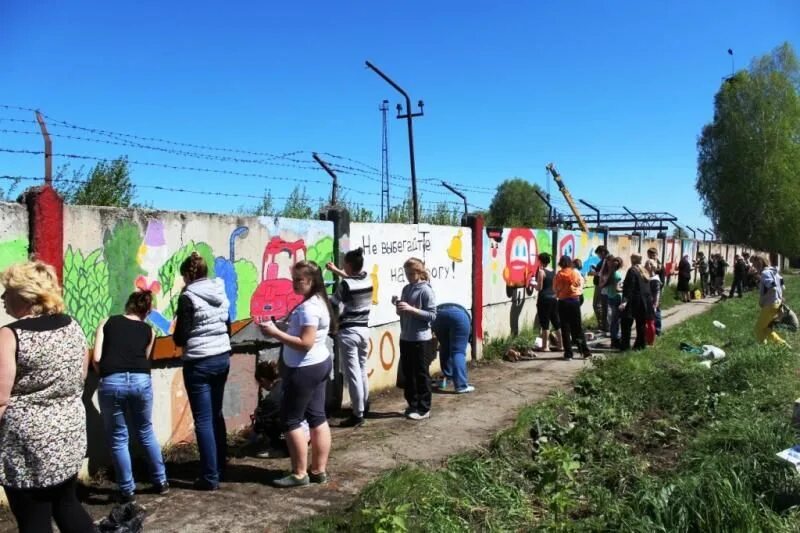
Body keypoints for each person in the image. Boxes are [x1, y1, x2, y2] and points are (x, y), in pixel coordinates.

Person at [0, 261, 95, 532]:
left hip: (27, 446)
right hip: (69, 433)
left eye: (8, 291)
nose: (3, 298)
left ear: (26, 295)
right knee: (67, 504)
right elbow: (80, 376)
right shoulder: (72, 325)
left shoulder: (10, 335)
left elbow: (1, 399)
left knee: (34, 519)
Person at [260, 261, 335, 487]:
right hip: (319, 364)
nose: (294, 284)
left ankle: (300, 473)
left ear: (310, 281)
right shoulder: (318, 301)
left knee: (291, 419)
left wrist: (274, 332)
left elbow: (305, 343)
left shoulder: (309, 308)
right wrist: (284, 325)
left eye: (298, 280)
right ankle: (318, 471)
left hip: (304, 369)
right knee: (317, 417)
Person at [93, 290, 168, 502]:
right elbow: (145, 360)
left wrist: (106, 376)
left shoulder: (107, 322)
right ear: (147, 311)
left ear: (128, 304)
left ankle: (127, 490)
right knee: (145, 431)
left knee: (118, 437)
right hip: (141, 380)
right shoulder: (149, 331)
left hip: (112, 381)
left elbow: (97, 357)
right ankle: (161, 481)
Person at [173, 252, 232, 491]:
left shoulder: (188, 297)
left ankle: (209, 476)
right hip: (221, 357)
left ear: (188, 274)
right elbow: (227, 324)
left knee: (204, 420)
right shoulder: (220, 290)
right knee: (216, 414)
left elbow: (181, 336)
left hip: (199, 362)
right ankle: (220, 465)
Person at [327, 247, 373, 428]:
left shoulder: (345, 286)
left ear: (348, 264)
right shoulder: (367, 278)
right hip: (364, 330)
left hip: (349, 332)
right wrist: (337, 271)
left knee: (352, 373)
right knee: (362, 370)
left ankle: (357, 413)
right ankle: (364, 405)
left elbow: (333, 303)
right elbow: (352, 278)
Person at [395, 257, 437, 420]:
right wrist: (399, 307)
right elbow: (403, 312)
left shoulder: (426, 291)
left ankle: (424, 408)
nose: (409, 276)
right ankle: (412, 404)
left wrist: (412, 310)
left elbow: (432, 316)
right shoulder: (406, 289)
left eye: (412, 273)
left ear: (419, 273)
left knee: (421, 373)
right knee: (408, 373)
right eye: (406, 273)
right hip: (405, 337)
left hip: (421, 338)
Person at [250, 360, 309, 459]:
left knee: (267, 421)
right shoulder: (289, 383)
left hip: (295, 435)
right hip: (308, 428)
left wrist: (257, 418)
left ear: (263, 380)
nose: (262, 387)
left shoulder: (271, 399)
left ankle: (280, 448)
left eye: (261, 384)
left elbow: (260, 425)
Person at [554, 255, 591, 360]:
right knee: (577, 327)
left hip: (563, 302)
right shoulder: (575, 273)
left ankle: (568, 354)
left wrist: (560, 293)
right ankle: (585, 351)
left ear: (560, 263)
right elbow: (580, 284)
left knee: (565, 328)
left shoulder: (559, 274)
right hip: (575, 301)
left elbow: (555, 288)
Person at [432, 303, 474, 394]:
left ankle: (447, 378)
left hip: (438, 315)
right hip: (459, 315)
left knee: (444, 346)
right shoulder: (468, 319)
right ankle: (461, 386)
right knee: (458, 352)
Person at [620, 254, 653, 351]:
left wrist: (624, 301)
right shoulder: (644, 270)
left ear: (633, 259)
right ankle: (640, 345)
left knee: (626, 323)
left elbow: (630, 287)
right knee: (641, 323)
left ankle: (625, 345)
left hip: (634, 301)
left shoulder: (632, 270)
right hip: (644, 301)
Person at [753, 256, 788, 346]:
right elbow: (782, 286)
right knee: (766, 328)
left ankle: (762, 346)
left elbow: (771, 286)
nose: (753, 266)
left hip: (770, 304)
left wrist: (762, 280)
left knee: (758, 328)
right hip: (776, 302)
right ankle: (782, 344)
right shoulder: (774, 272)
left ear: (759, 263)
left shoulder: (765, 273)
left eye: (754, 264)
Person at [533, 252, 562, 352]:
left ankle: (545, 347)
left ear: (540, 261)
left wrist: (532, 284)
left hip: (544, 299)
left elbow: (539, 287)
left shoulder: (541, 272)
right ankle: (561, 345)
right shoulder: (553, 271)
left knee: (545, 323)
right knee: (556, 322)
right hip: (554, 299)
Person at [605, 257, 624, 349]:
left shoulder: (610, 274)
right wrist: (625, 288)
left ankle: (614, 340)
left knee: (614, 320)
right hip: (616, 298)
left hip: (610, 297)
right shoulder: (617, 275)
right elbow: (617, 289)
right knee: (616, 321)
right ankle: (615, 340)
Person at [647, 247, 665, 335]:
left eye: (652, 255)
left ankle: (657, 330)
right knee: (651, 309)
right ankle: (652, 328)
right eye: (650, 255)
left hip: (657, 289)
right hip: (650, 289)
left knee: (656, 308)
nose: (651, 256)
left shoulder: (659, 265)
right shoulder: (650, 263)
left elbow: (661, 280)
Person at [591, 245, 609, 333]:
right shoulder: (604, 260)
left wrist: (594, 273)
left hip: (600, 285)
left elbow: (603, 273)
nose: (598, 256)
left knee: (597, 305)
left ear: (602, 252)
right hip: (600, 284)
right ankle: (603, 325)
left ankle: (602, 325)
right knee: (600, 305)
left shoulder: (607, 260)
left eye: (598, 254)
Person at [644, 259, 662, 345]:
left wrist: (655, 303)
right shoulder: (646, 276)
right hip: (645, 301)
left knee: (653, 320)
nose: (646, 265)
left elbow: (657, 292)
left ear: (652, 267)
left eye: (648, 264)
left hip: (652, 302)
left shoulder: (655, 279)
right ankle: (646, 336)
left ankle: (654, 336)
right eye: (646, 264)